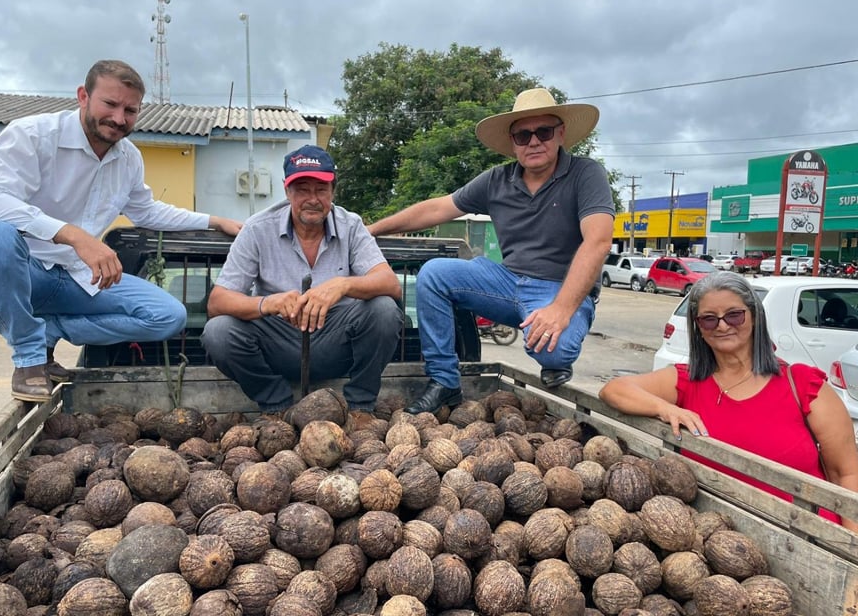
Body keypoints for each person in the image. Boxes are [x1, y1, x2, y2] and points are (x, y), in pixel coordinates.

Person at [0, 59, 241, 403]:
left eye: (130, 110)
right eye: (110, 104)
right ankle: (29, 358)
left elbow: (146, 211)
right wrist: (74, 236)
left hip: (73, 277)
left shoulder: (128, 158)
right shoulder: (32, 135)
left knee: (168, 316)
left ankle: (48, 331)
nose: (119, 118)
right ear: (83, 96)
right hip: (19, 273)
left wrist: (214, 221)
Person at [367, 88, 615, 414]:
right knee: (434, 274)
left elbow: (597, 241)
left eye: (543, 132)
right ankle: (444, 380)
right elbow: (438, 208)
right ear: (513, 142)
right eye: (523, 135)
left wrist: (561, 308)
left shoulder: (586, 174)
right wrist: (370, 230)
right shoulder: (497, 180)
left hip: (558, 289)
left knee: (553, 353)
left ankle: (557, 354)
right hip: (506, 282)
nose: (533, 142)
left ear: (560, 134)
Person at [599, 272, 858, 531]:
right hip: (722, 537)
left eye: (734, 315)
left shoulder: (803, 385)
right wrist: (665, 408)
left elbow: (846, 474)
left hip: (809, 538)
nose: (722, 326)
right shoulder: (688, 381)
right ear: (698, 328)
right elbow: (614, 389)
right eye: (709, 319)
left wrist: (849, 546)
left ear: (755, 316)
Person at [200, 145, 403, 412]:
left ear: (333, 192)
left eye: (321, 189)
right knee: (218, 332)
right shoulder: (257, 229)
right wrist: (267, 303)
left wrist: (343, 285)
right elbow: (217, 302)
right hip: (278, 341)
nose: (313, 199)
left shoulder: (351, 225)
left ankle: (360, 408)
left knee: (384, 310)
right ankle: (277, 406)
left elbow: (390, 284)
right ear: (287, 191)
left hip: (336, 340)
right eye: (303, 190)